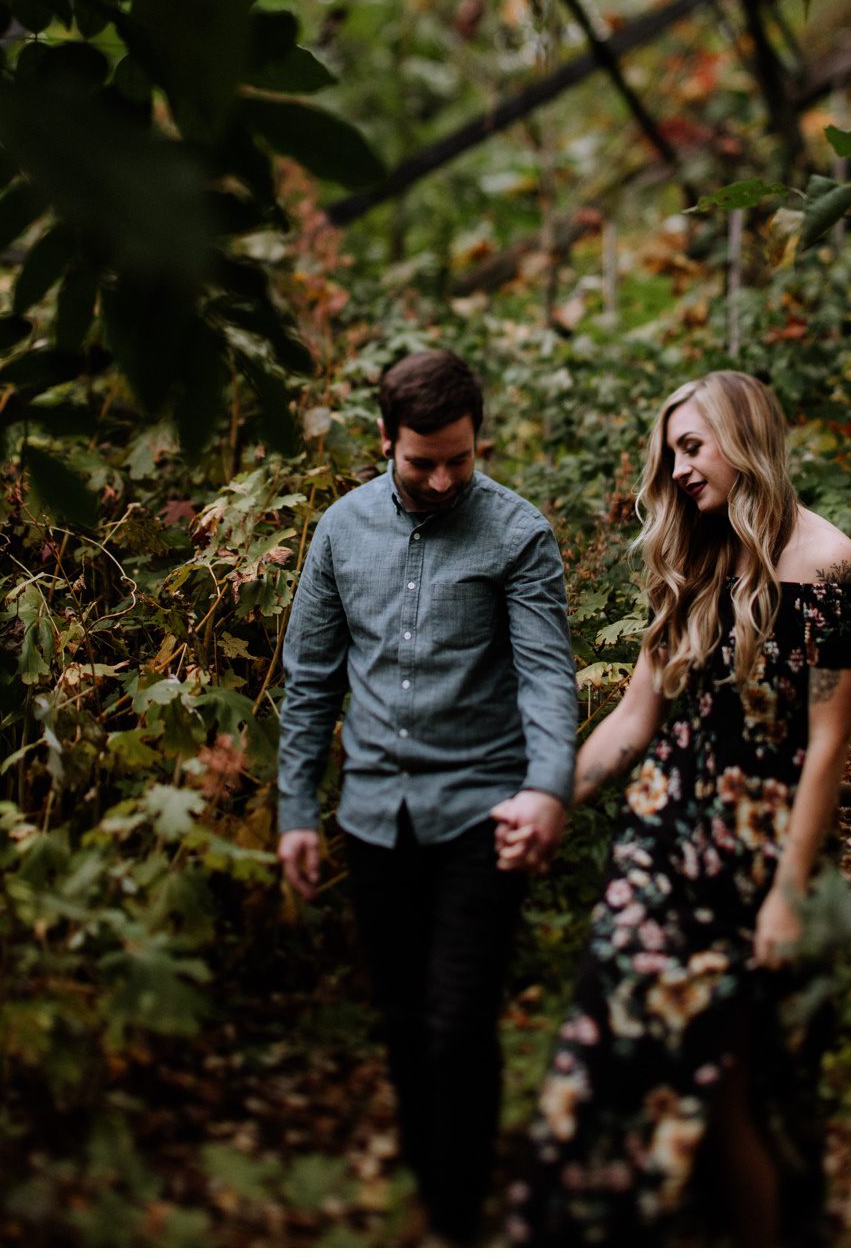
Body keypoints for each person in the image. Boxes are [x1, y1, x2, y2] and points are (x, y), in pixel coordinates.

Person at [503, 370, 851, 1245]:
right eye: (671, 452)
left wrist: (787, 891)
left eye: (692, 447)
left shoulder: (832, 567)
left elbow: (826, 748)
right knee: (610, 1055)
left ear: (744, 441)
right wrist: (545, 797)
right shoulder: (696, 558)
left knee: (739, 1085)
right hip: (659, 851)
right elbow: (634, 721)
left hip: (760, 861)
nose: (677, 470)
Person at [276, 348, 579, 1244]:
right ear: (385, 442)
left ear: (478, 439)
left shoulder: (518, 535)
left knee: (458, 1023)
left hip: (481, 816)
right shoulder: (339, 531)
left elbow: (547, 679)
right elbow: (309, 682)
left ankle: (458, 1216)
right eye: (422, 462)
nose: (443, 478)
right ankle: (432, 1174)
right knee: (405, 1024)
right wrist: (296, 810)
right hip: (372, 818)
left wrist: (547, 790)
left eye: (460, 457)